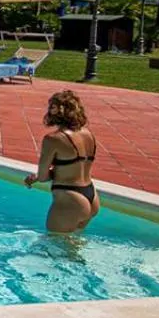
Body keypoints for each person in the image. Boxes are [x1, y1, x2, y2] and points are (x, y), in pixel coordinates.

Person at [25, 90, 100, 233]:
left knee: (54, 248)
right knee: (73, 246)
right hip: (91, 195)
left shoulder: (53, 139)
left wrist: (35, 178)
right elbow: (75, 166)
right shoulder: (88, 134)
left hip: (70, 199)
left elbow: (42, 177)